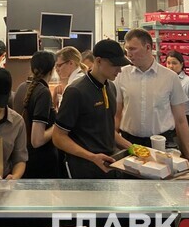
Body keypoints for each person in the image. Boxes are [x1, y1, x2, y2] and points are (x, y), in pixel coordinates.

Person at [52, 39, 132, 179]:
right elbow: (58, 137)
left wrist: (132, 148)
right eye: (115, 65)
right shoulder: (76, 91)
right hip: (84, 168)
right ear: (99, 61)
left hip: (109, 163)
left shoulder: (111, 87)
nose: (119, 70)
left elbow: (106, 129)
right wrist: (92, 157)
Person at [115, 28, 189, 159]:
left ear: (148, 47)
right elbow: (116, 115)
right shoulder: (121, 75)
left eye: (133, 49)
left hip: (161, 144)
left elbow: (181, 120)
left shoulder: (170, 77)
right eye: (127, 49)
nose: (128, 54)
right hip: (129, 143)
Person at [22, 51, 59, 178]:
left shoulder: (23, 87)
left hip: (26, 158)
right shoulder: (43, 93)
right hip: (41, 162)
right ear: (52, 70)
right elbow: (37, 140)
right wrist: (57, 126)